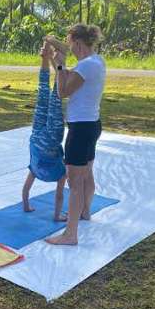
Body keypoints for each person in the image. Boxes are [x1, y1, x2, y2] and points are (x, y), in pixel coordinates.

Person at [45, 24, 105, 246]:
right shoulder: (96, 61)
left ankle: (70, 234)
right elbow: (70, 76)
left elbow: (62, 91)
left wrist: (60, 66)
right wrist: (56, 63)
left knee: (75, 182)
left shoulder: (87, 66)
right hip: (92, 126)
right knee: (86, 174)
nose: (69, 47)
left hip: (80, 130)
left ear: (78, 43)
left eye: (70, 43)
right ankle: (85, 212)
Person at [22, 41, 68, 221]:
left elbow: (59, 196)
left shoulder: (60, 173)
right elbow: (25, 191)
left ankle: (59, 62)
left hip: (51, 138)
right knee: (43, 91)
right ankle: (46, 56)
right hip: (36, 136)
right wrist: (26, 206)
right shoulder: (34, 168)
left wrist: (58, 216)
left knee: (55, 96)